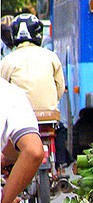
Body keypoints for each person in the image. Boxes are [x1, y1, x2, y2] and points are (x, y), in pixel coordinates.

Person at [0, 13, 69, 171]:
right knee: (60, 130)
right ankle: (61, 165)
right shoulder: (51, 56)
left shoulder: (7, 61)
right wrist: (51, 103)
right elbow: (60, 87)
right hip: (48, 114)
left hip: (19, 120)